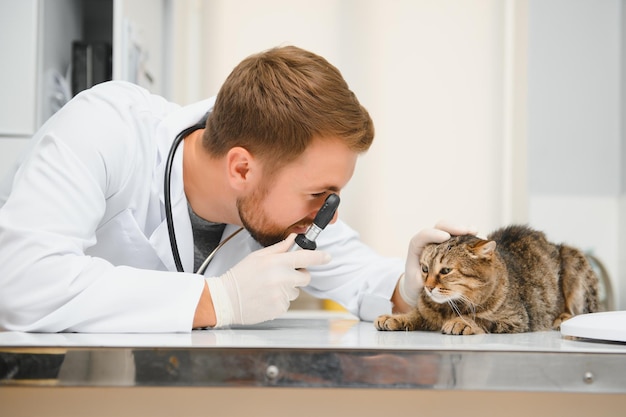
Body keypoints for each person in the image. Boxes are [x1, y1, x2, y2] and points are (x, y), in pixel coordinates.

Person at [0, 46, 472, 332]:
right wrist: (219, 300)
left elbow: (365, 278)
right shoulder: (105, 129)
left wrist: (414, 284)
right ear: (242, 169)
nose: (325, 214)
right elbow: (22, 284)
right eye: (318, 194)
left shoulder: (278, 201)